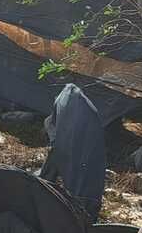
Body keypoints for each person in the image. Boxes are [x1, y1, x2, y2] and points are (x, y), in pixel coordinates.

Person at [39, 83, 105, 217]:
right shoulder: (74, 107)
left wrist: (42, 183)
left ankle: (82, 214)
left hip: (84, 195)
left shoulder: (67, 114)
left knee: (82, 192)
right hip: (86, 159)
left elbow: (54, 158)